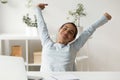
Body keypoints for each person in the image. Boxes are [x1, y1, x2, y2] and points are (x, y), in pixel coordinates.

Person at [35, 3, 112, 72]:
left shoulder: (73, 48)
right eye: (65, 28)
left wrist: (104, 19)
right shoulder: (47, 43)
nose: (66, 32)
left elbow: (87, 32)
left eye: (71, 32)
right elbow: (42, 26)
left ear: (72, 38)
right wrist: (38, 9)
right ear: (59, 30)